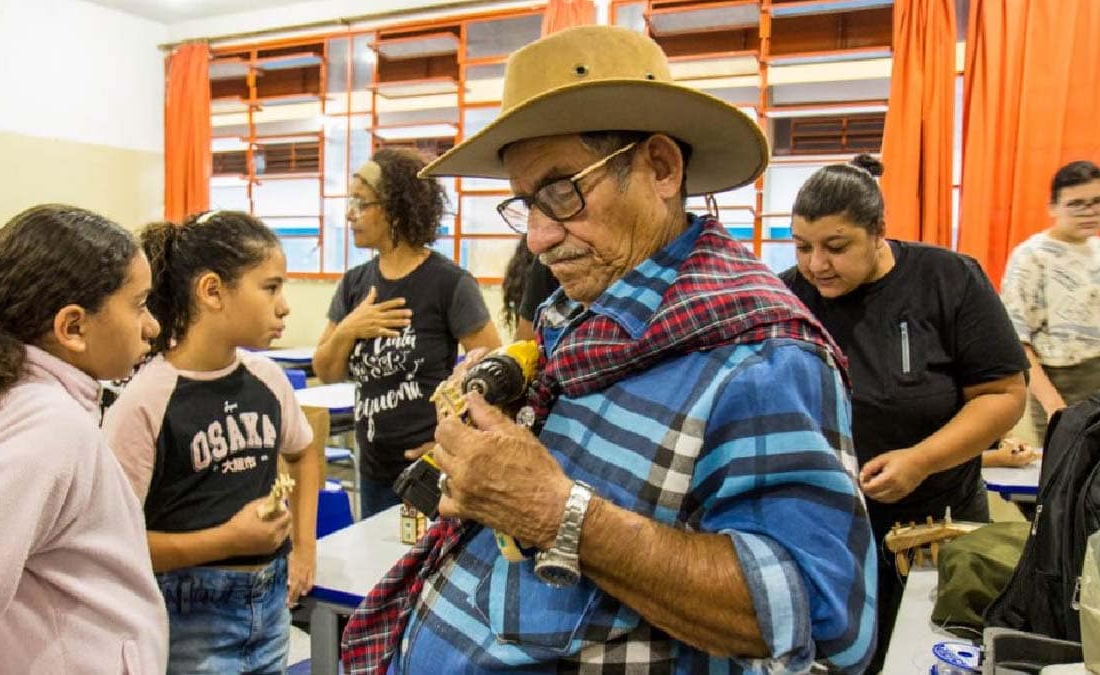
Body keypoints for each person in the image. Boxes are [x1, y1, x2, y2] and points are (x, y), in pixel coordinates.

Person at [342, 26, 876, 673]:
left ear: (659, 167)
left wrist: (556, 512)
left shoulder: (761, 358)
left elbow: (821, 610)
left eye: (562, 192)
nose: (537, 237)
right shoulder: (573, 323)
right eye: (525, 204)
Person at [780, 154, 1028, 670]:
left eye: (836, 246)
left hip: (937, 523)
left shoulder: (949, 280)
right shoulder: (788, 295)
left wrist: (920, 460)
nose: (816, 265)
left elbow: (1002, 395)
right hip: (827, 526)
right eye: (802, 247)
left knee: (929, 654)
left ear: (878, 233)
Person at [0, 204, 168, 673]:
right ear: (73, 328)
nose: (153, 326)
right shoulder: (46, 428)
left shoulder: (31, 402)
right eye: (140, 305)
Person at [102, 210, 320, 675]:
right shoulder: (146, 401)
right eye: (271, 287)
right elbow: (116, 545)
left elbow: (304, 452)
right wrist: (225, 540)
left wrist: (305, 548)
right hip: (187, 615)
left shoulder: (267, 378)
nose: (284, 307)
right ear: (212, 291)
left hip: (270, 604)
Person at [312, 148, 501, 518]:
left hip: (431, 469)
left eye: (361, 203)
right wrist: (350, 328)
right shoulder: (355, 284)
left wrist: (453, 441)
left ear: (396, 209)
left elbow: (493, 372)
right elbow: (326, 370)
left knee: (423, 571)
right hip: (373, 469)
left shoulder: (449, 283)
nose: (350, 214)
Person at [1000, 160, 1100, 444]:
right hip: (1061, 379)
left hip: (1097, 373)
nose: (1088, 211)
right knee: (1070, 477)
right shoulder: (1031, 257)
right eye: (1076, 203)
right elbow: (1018, 342)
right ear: (1053, 207)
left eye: (1096, 202)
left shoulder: (1097, 250)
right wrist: (1053, 404)